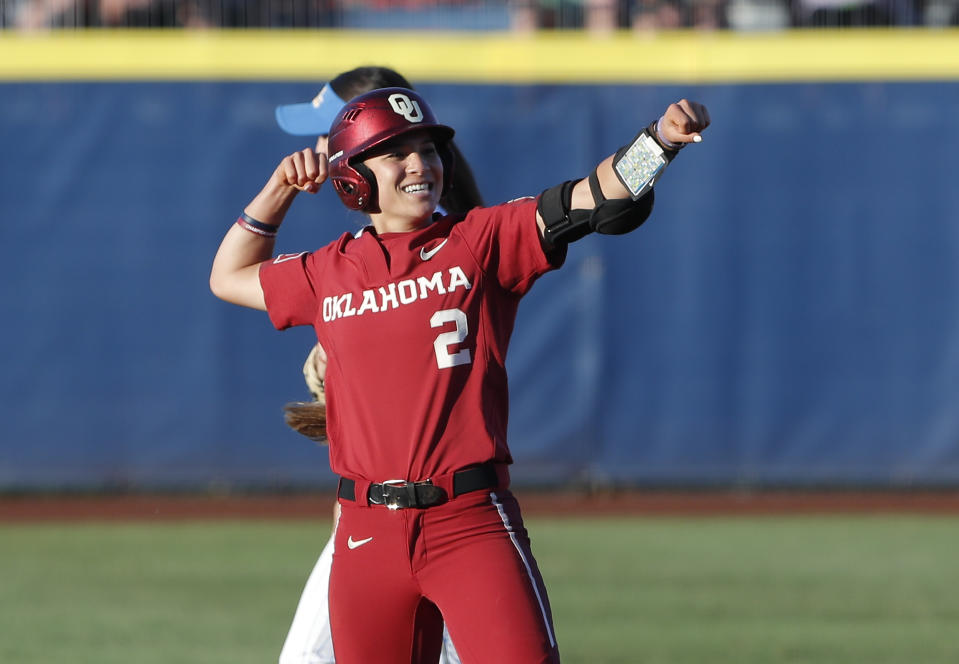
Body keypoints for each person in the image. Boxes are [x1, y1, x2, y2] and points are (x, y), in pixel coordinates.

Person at [210, 85, 709, 662]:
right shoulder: (328, 271)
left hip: (469, 524)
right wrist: (279, 190)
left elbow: (596, 196)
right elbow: (228, 276)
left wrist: (660, 143)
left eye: (429, 149)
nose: (421, 163)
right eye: (397, 152)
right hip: (365, 534)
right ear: (354, 178)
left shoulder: (480, 242)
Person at [273, 66, 478, 664]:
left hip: (431, 510)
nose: (315, 146)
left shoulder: (444, 236)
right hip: (381, 512)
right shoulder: (383, 235)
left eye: (324, 129)